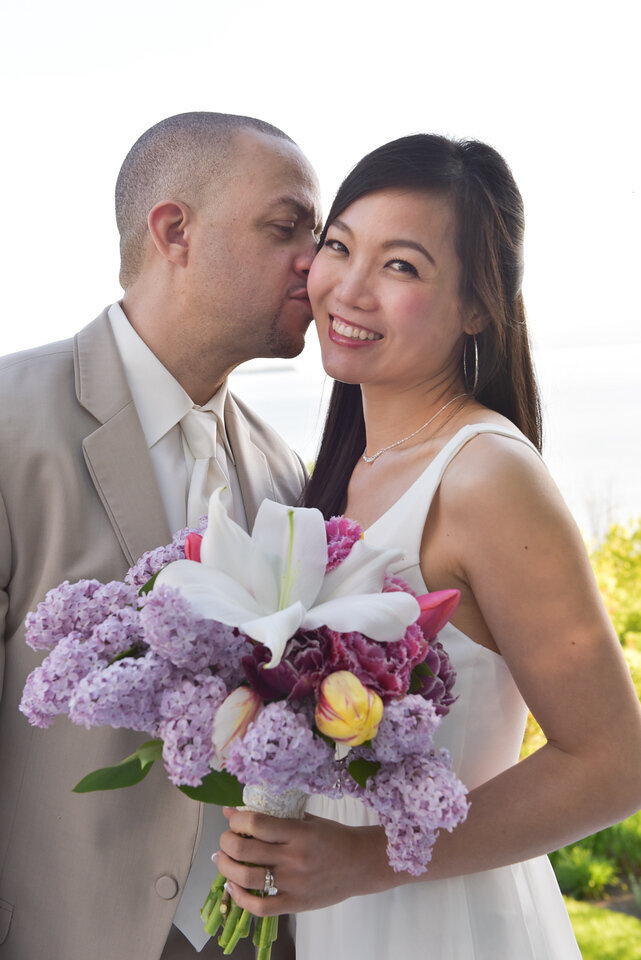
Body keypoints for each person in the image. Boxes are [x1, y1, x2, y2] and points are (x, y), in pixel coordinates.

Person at [216, 134, 641, 958]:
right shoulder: (338, 473)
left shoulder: (483, 474)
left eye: (401, 267)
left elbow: (614, 762)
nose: (349, 287)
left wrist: (364, 860)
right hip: (340, 921)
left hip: (447, 924)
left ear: (479, 305)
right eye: (339, 247)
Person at [0, 111, 321, 960]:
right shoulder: (6, 427)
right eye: (286, 227)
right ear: (174, 230)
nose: (317, 263)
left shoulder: (288, 478)